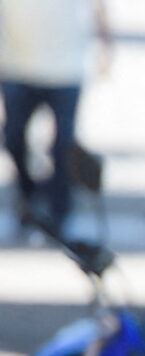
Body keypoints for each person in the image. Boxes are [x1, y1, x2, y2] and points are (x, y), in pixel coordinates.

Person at [0, 0, 110, 234]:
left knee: (63, 143)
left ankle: (60, 211)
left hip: (67, 67)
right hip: (17, 65)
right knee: (13, 136)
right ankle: (27, 194)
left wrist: (106, 44)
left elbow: (99, 6)